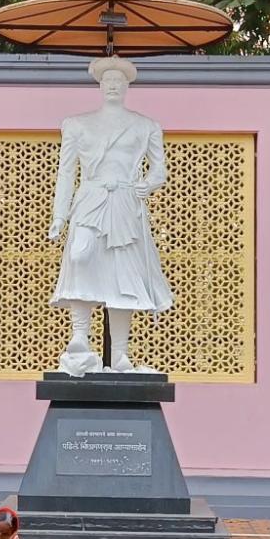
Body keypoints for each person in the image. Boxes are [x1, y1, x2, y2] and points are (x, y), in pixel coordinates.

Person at [47, 54, 173, 375]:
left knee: (123, 281)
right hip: (90, 199)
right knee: (80, 259)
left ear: (127, 85)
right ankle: (79, 338)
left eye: (119, 81)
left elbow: (160, 170)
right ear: (100, 85)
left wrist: (147, 183)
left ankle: (120, 356)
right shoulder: (77, 125)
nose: (113, 86)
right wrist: (59, 216)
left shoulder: (145, 126)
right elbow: (66, 173)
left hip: (126, 204)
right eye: (108, 81)